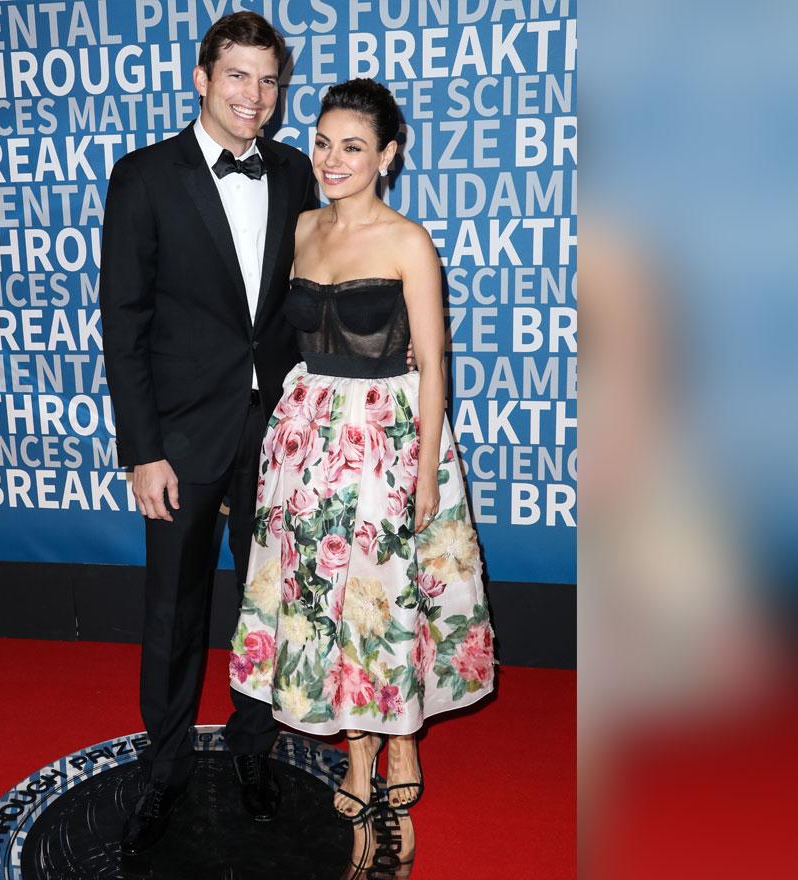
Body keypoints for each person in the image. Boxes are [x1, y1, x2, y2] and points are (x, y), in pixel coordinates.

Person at [228, 78, 496, 824]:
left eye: (352, 146)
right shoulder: (303, 230)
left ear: (388, 155)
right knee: (324, 599)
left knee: (382, 595)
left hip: (387, 437)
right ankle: (356, 750)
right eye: (322, 142)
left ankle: (401, 735)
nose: (332, 158)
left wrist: (426, 468)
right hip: (306, 438)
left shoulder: (408, 240)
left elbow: (435, 363)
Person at [99, 12, 316, 854]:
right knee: (173, 610)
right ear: (201, 77)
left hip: (276, 434)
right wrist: (142, 449)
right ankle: (163, 768)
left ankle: (255, 750)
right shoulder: (144, 176)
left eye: (268, 81)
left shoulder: (296, 172)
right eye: (238, 77)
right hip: (181, 440)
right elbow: (125, 322)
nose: (254, 98)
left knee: (266, 604)